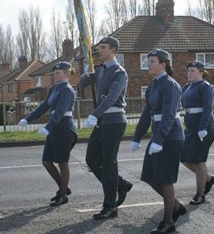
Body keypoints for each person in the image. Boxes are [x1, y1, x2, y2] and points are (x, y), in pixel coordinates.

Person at [130, 49, 185, 234]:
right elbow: (147, 113)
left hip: (170, 137)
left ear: (164, 64)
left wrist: (159, 139)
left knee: (165, 179)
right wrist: (136, 138)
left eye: (152, 61)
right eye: (148, 61)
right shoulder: (153, 85)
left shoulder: (170, 85)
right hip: (158, 136)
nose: (149, 64)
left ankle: (168, 222)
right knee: (149, 176)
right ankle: (176, 206)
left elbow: (169, 115)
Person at [79, 36, 133, 220]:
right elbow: (81, 85)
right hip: (102, 120)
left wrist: (95, 113)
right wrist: (87, 72)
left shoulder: (119, 72)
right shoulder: (99, 69)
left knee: (109, 163)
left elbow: (112, 96)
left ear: (114, 50)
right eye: (99, 48)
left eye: (104, 47)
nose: (100, 51)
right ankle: (120, 184)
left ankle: (110, 206)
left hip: (114, 120)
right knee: (92, 159)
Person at [18, 61, 77, 206]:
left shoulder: (68, 90)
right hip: (54, 128)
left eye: (58, 73)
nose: (55, 75)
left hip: (64, 128)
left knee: (62, 162)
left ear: (67, 74)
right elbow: (44, 106)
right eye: (54, 73)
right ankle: (64, 188)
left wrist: (48, 127)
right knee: (47, 162)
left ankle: (62, 195)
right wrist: (27, 119)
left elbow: (60, 112)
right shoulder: (53, 89)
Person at [181, 60, 214, 205]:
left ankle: (200, 194)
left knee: (198, 160)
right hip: (190, 129)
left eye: (193, 70)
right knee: (183, 158)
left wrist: (202, 128)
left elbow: (208, 109)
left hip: (204, 129)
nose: (189, 73)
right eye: (188, 70)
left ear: (201, 72)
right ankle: (208, 179)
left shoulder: (205, 87)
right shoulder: (186, 87)